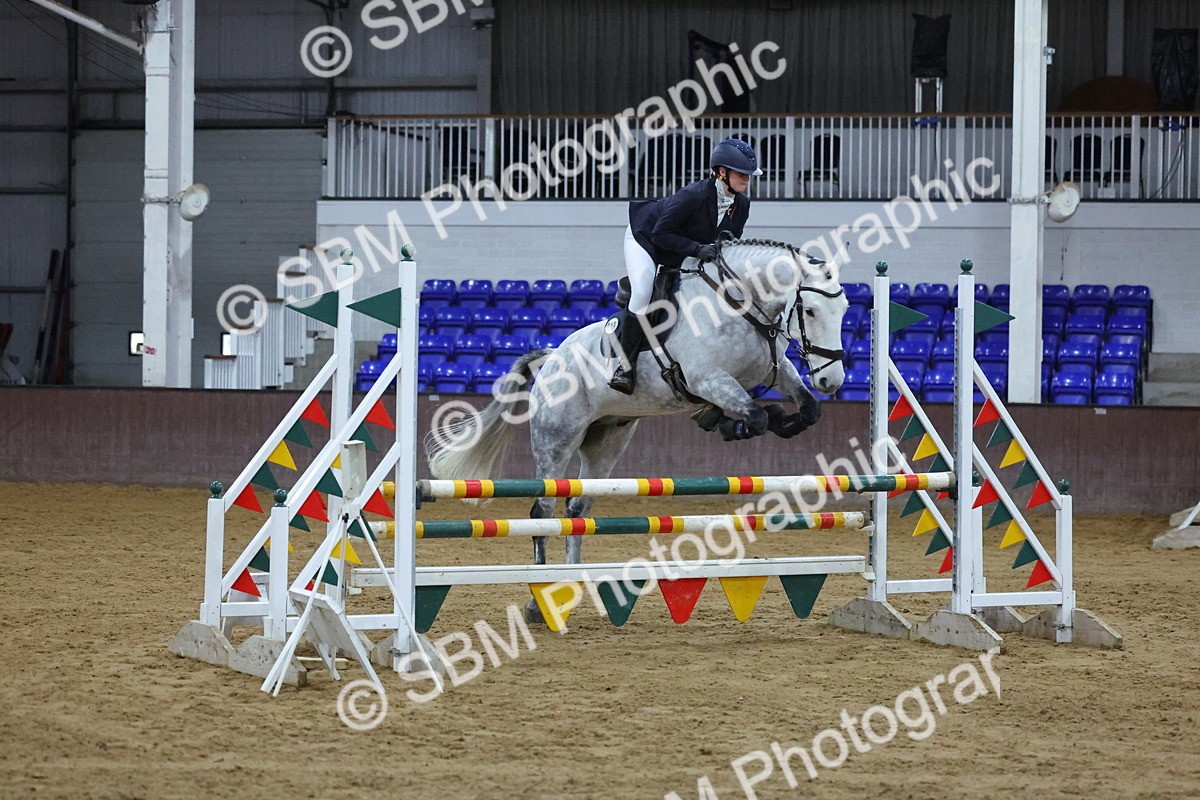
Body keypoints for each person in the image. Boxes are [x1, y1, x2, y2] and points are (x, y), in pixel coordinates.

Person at [608, 137, 762, 394]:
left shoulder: (742, 204)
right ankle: (624, 367)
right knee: (644, 291)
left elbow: (729, 240)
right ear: (722, 173)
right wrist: (697, 249)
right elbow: (660, 235)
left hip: (683, 245)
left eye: (749, 175)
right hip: (646, 237)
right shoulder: (693, 196)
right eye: (741, 174)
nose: (747, 180)